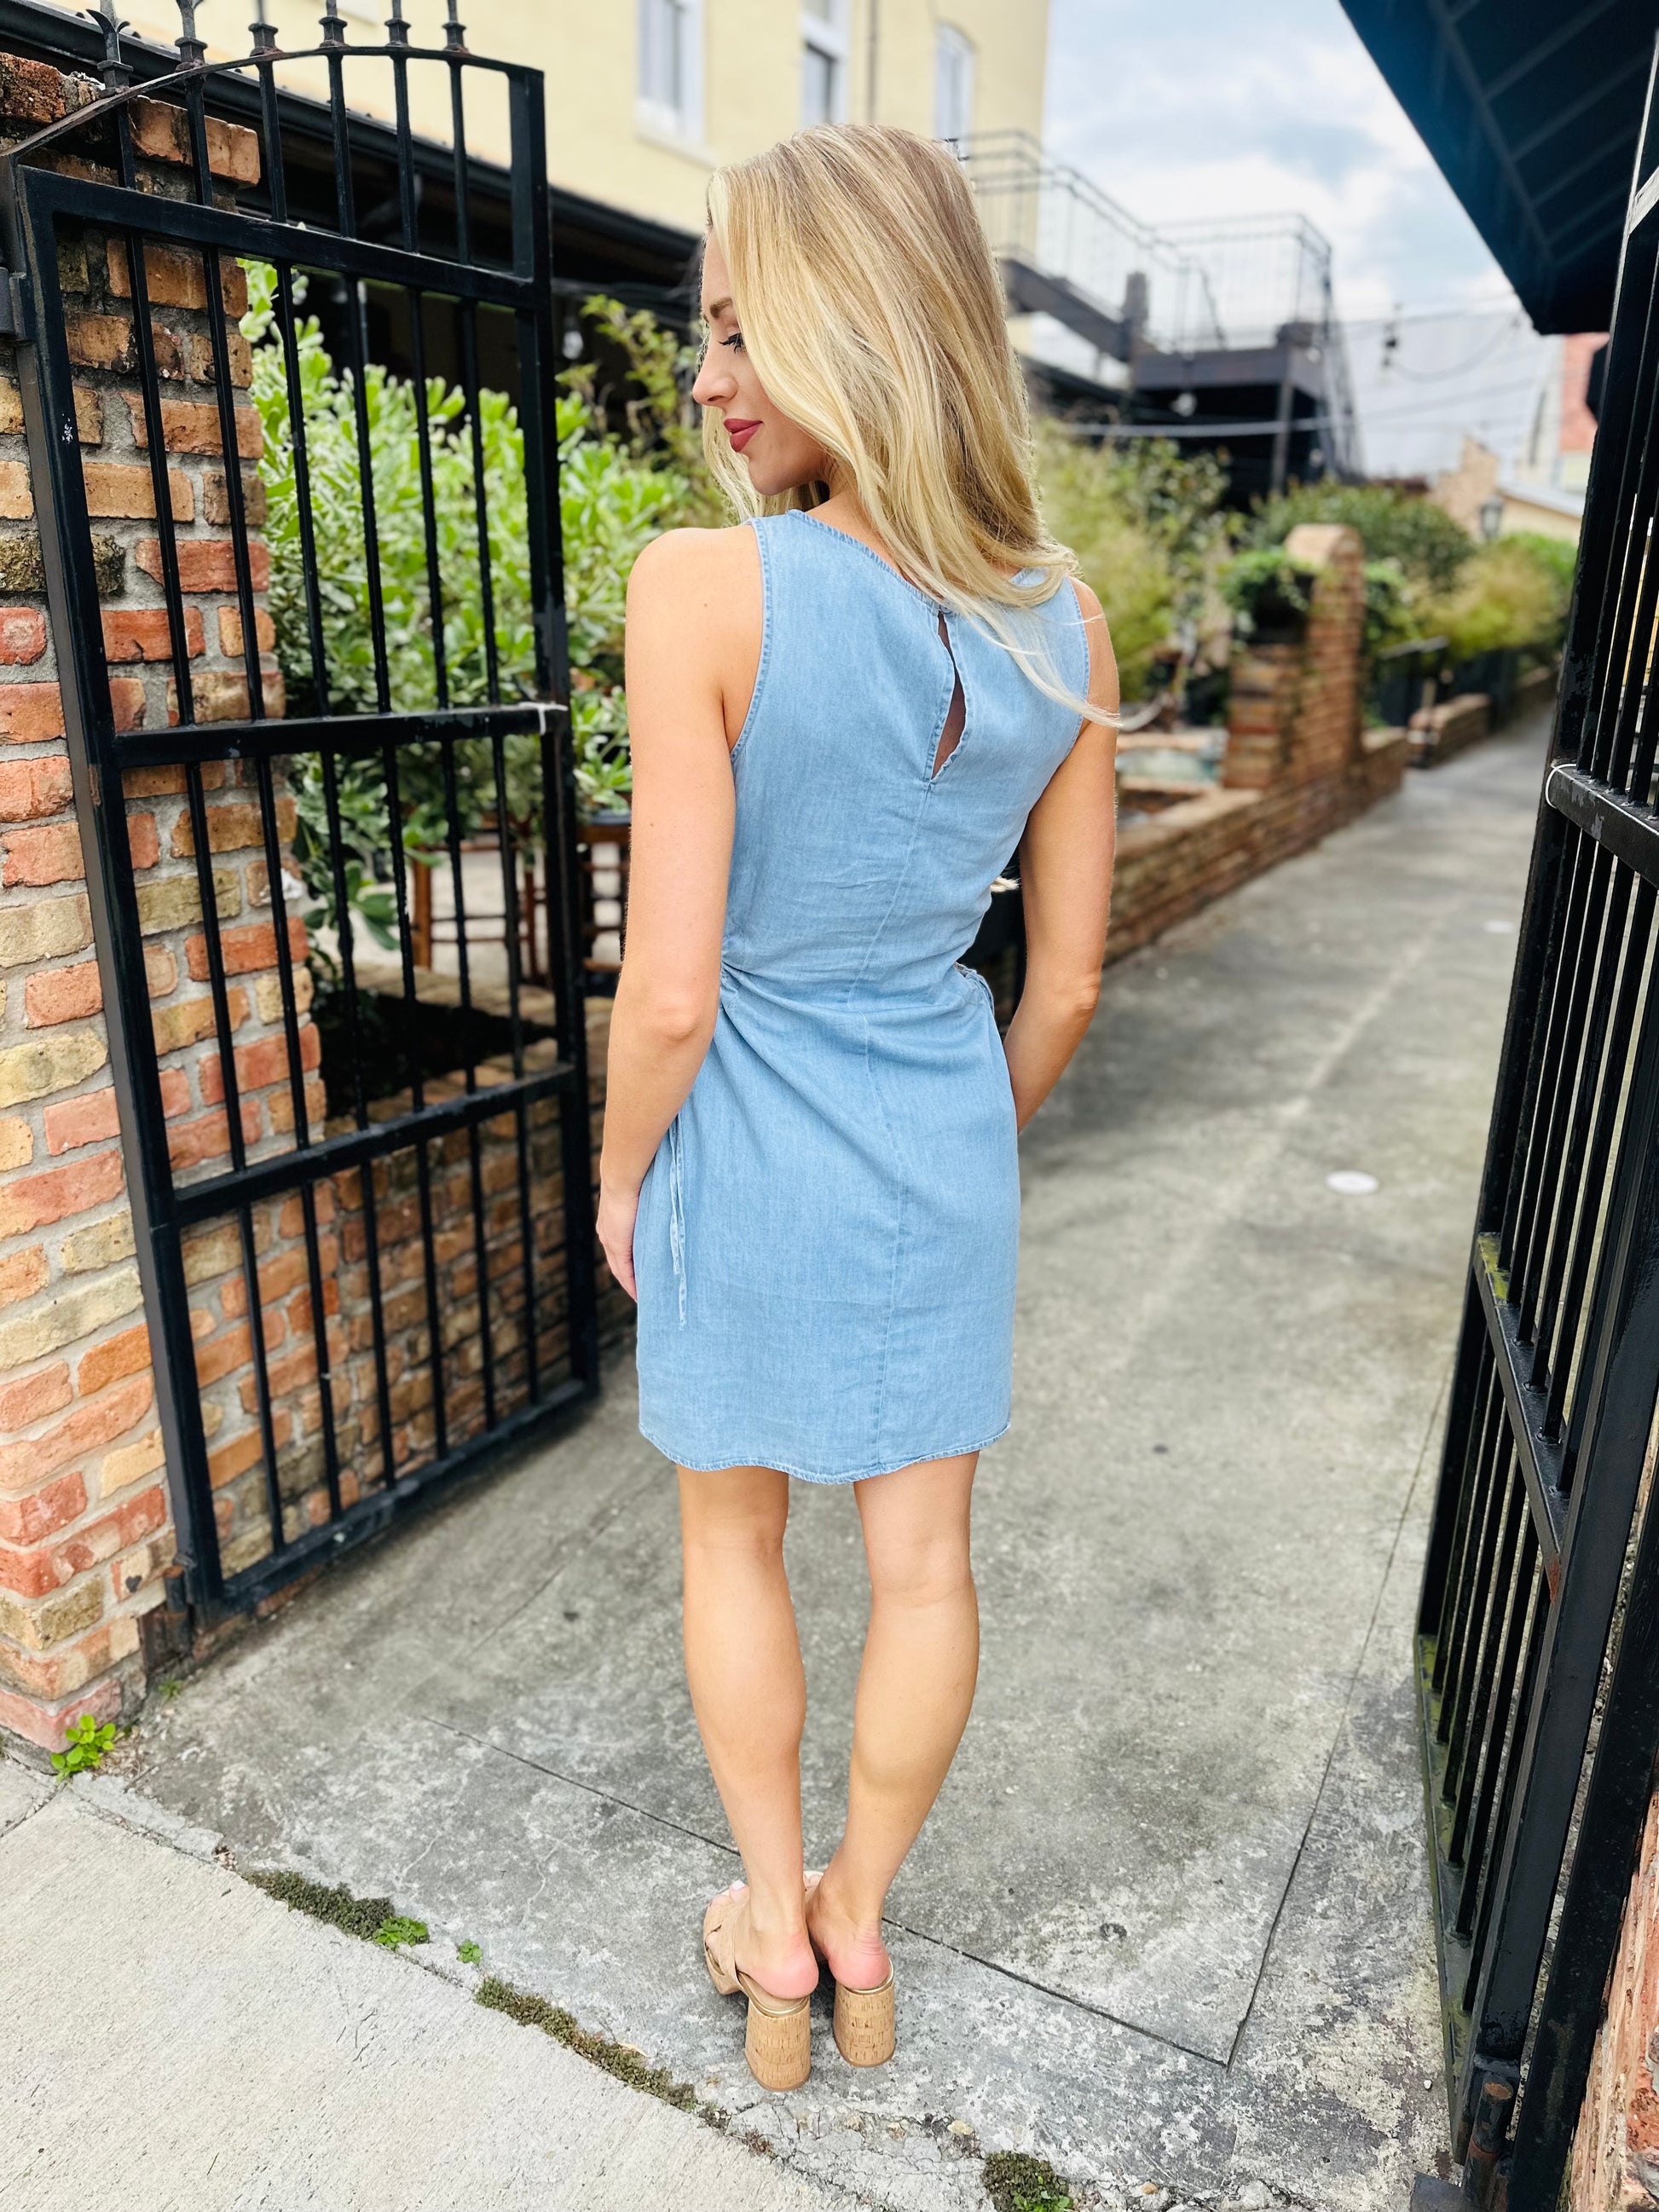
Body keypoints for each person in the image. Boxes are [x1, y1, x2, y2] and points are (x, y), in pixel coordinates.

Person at [596, 122, 1119, 2093]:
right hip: (935, 1143)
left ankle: (771, 1934)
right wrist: (966, 1134)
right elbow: (1064, 980)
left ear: (864, 324)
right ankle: (860, 1920)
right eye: (707, 330)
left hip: (742, 1139)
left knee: (731, 1544)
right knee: (924, 1568)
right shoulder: (1059, 619)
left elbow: (670, 988)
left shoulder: (700, 591)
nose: (707, 377)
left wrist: (619, 1174)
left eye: (743, 327)